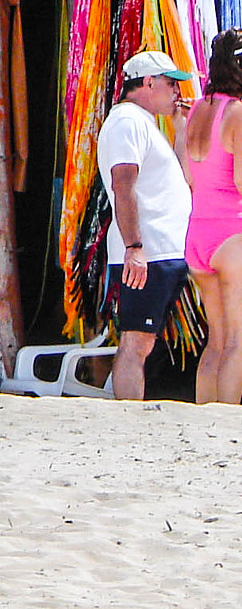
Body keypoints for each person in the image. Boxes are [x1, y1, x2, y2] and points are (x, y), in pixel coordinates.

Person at [97, 49, 196, 401]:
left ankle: (128, 410)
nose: (176, 93)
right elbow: (123, 185)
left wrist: (180, 130)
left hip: (163, 249)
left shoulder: (144, 124)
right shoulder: (127, 121)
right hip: (148, 252)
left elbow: (184, 180)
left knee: (145, 340)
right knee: (136, 340)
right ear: (149, 82)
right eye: (171, 84)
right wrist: (134, 248)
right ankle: (126, 416)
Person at [183, 30, 242, 405]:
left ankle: (203, 421)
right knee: (239, 338)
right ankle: (228, 424)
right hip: (231, 231)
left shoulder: (198, 111)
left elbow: (189, 177)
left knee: (215, 341)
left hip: (197, 231)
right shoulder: (237, 112)